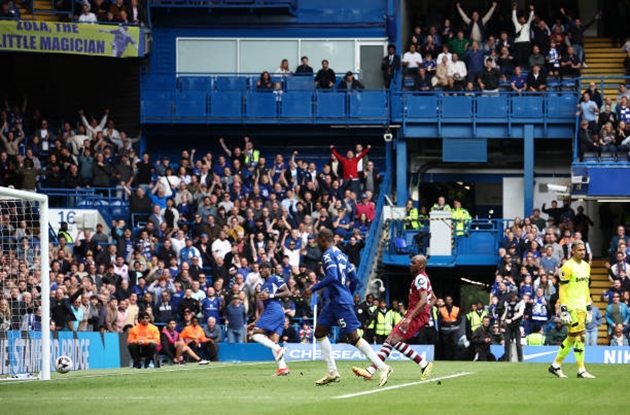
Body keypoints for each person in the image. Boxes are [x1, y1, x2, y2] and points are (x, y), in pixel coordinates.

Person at [304, 228, 391, 386]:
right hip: (338, 300)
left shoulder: (328, 254)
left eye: (318, 240)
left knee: (354, 338)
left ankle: (382, 367)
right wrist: (348, 295)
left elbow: (332, 276)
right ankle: (332, 372)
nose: (317, 243)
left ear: (324, 239)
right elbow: (355, 279)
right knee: (319, 332)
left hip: (340, 301)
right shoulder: (342, 255)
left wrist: (313, 288)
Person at [352, 254, 434, 380]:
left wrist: (410, 317)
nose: (410, 265)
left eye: (414, 263)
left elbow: (423, 300)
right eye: (411, 262)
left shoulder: (420, 279)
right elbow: (432, 298)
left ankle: (424, 364)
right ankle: (371, 370)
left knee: (394, 340)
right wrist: (423, 311)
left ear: (422, 265)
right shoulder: (423, 278)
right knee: (390, 340)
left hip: (415, 316)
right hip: (415, 314)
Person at [549, 240, 596, 378]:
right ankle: (581, 370)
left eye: (584, 250)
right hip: (571, 306)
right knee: (581, 336)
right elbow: (562, 289)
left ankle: (555, 366)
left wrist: (588, 307)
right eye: (580, 250)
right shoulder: (567, 267)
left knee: (571, 337)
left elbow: (586, 287)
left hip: (582, 306)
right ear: (573, 251)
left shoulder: (587, 266)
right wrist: (563, 309)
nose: (583, 252)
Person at [248, 261, 291, 376]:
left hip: (275, 310)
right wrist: (255, 321)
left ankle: (278, 349)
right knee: (273, 340)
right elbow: (264, 308)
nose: (260, 270)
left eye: (263, 268)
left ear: (269, 269)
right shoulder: (263, 286)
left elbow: (288, 293)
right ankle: (283, 368)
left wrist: (271, 295)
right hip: (273, 311)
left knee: (255, 334)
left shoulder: (275, 278)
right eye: (259, 269)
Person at [501, 290, 524, 362]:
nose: (512, 298)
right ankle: (506, 359)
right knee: (507, 342)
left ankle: (520, 360)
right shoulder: (507, 302)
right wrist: (502, 318)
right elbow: (506, 311)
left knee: (518, 343)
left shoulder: (521, 302)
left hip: (517, 324)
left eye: (513, 297)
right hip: (509, 325)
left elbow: (520, 313)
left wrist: (512, 319)